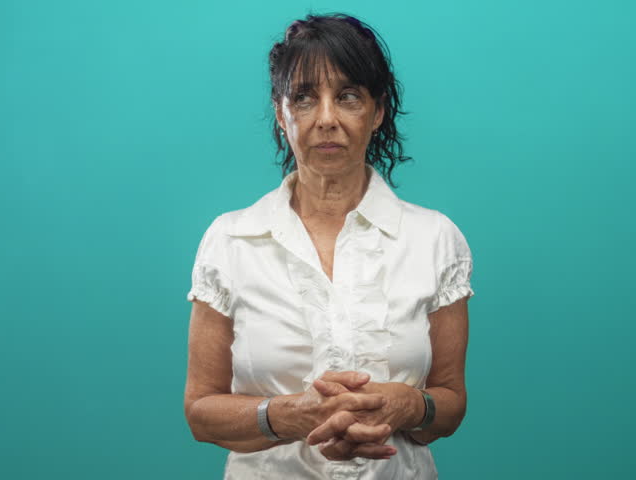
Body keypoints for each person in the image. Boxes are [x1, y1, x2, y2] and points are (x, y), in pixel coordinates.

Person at [183, 13, 474, 479]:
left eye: (348, 97)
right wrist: (289, 414)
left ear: (377, 112)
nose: (325, 119)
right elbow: (200, 410)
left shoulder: (436, 239)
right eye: (303, 98)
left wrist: (409, 406)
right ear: (281, 115)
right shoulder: (229, 240)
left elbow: (451, 403)